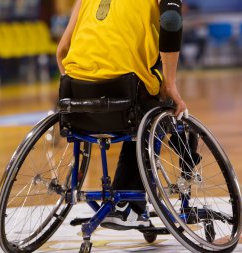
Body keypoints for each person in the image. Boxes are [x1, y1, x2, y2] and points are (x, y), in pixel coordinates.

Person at [56, 0, 188, 230]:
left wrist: (85, 83)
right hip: (125, 91)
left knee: (141, 104)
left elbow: (62, 50)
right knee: (159, 106)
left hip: (75, 95)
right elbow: (171, 21)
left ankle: (130, 202)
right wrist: (170, 84)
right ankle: (130, 205)